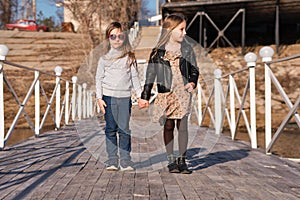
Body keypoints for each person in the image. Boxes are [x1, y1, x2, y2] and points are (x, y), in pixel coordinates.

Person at [138, 13, 199, 174]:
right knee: (169, 126)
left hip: (183, 93)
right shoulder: (158, 52)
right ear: (170, 30)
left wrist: (192, 82)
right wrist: (145, 96)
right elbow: (150, 75)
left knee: (183, 126)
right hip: (166, 93)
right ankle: (171, 159)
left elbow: (194, 69)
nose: (184, 33)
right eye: (181, 29)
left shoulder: (187, 48)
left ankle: (183, 161)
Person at [96, 22, 142, 171]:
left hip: (125, 98)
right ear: (108, 38)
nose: (116, 39)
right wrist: (99, 98)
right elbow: (99, 79)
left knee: (124, 129)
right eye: (112, 36)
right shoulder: (104, 59)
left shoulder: (129, 57)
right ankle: (112, 160)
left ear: (125, 38)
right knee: (110, 129)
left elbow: (135, 78)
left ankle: (125, 160)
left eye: (120, 36)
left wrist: (141, 96)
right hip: (108, 98)